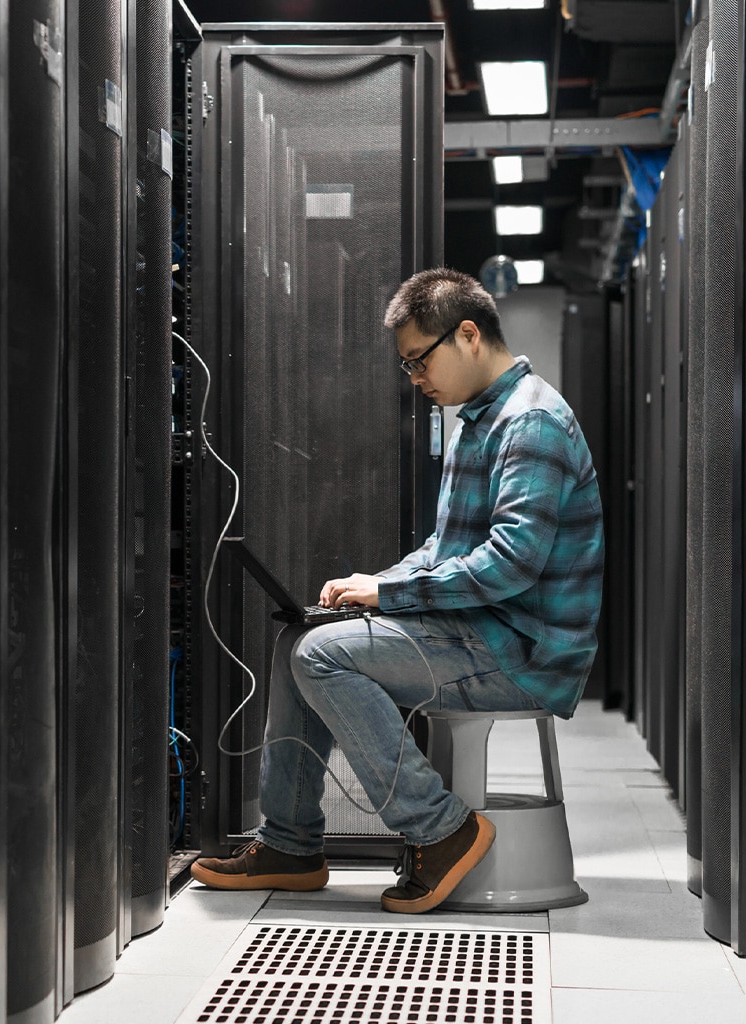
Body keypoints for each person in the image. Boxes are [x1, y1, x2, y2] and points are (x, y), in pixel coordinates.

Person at [191, 267, 605, 914]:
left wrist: (389, 600)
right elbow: (447, 551)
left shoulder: (532, 426)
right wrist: (375, 584)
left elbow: (510, 565)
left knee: (323, 657)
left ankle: (441, 830)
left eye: (418, 361)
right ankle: (291, 845)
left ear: (468, 335)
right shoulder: (479, 419)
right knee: (301, 636)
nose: (415, 380)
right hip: (478, 631)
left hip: (521, 652)